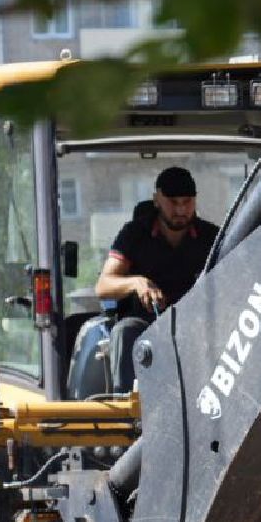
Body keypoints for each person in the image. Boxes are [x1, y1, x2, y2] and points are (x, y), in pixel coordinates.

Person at [94, 166, 220, 391]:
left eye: (187, 202)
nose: (181, 210)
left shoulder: (212, 237)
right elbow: (104, 285)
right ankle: (127, 411)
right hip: (146, 324)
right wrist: (137, 282)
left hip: (197, 324)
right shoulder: (134, 234)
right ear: (157, 200)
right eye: (173, 202)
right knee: (124, 331)